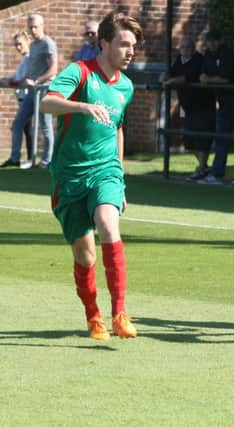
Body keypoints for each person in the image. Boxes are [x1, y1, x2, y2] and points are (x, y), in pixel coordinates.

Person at [40, 11, 144, 340]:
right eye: (124, 44)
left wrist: (121, 178)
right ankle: (93, 316)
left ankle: (120, 314)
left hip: (105, 171)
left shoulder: (126, 86)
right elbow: (47, 102)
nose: (130, 51)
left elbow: (118, 129)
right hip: (69, 176)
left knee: (108, 225)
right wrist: (82, 107)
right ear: (104, 43)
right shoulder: (80, 72)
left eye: (133, 45)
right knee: (85, 254)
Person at [2, 14, 57, 168]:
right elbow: (31, 71)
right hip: (32, 92)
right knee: (18, 123)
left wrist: (36, 81)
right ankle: (14, 159)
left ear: (42, 26)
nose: (33, 30)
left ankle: (47, 161)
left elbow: (53, 70)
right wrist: (16, 80)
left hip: (44, 90)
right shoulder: (33, 46)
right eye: (30, 27)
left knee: (45, 127)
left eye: (35, 27)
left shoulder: (48, 44)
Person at [199, 30, 234, 185]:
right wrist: (205, 78)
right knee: (221, 138)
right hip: (224, 103)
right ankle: (217, 174)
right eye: (209, 41)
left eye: (214, 40)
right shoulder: (208, 55)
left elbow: (225, 78)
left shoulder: (227, 54)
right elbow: (203, 75)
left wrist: (208, 79)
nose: (211, 44)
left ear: (220, 40)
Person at [161, 35, 216, 181]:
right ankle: (204, 167)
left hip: (203, 106)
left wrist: (171, 80)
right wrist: (165, 76)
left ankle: (202, 168)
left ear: (194, 48)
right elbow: (172, 73)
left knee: (202, 140)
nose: (186, 50)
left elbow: (189, 77)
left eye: (189, 47)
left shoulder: (199, 59)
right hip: (188, 107)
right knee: (189, 141)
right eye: (184, 47)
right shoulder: (179, 60)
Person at [0, 31, 34, 169]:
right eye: (16, 45)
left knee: (24, 128)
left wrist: (11, 82)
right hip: (21, 98)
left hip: (28, 97)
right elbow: (18, 77)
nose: (18, 47)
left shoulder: (30, 58)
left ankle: (26, 159)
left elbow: (25, 79)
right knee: (25, 128)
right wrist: (8, 80)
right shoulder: (24, 59)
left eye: (20, 44)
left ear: (27, 42)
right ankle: (24, 158)